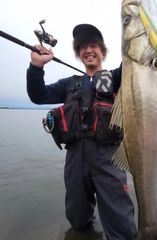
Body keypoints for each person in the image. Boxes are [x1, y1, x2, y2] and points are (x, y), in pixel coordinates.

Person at [26, 23, 137, 240]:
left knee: (122, 227)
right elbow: (38, 95)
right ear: (78, 54)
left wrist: (140, 25)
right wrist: (36, 67)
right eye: (83, 47)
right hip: (75, 159)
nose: (88, 50)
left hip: (110, 158)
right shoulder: (68, 84)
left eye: (94, 45)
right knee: (77, 221)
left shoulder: (116, 78)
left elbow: (135, 61)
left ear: (103, 51)